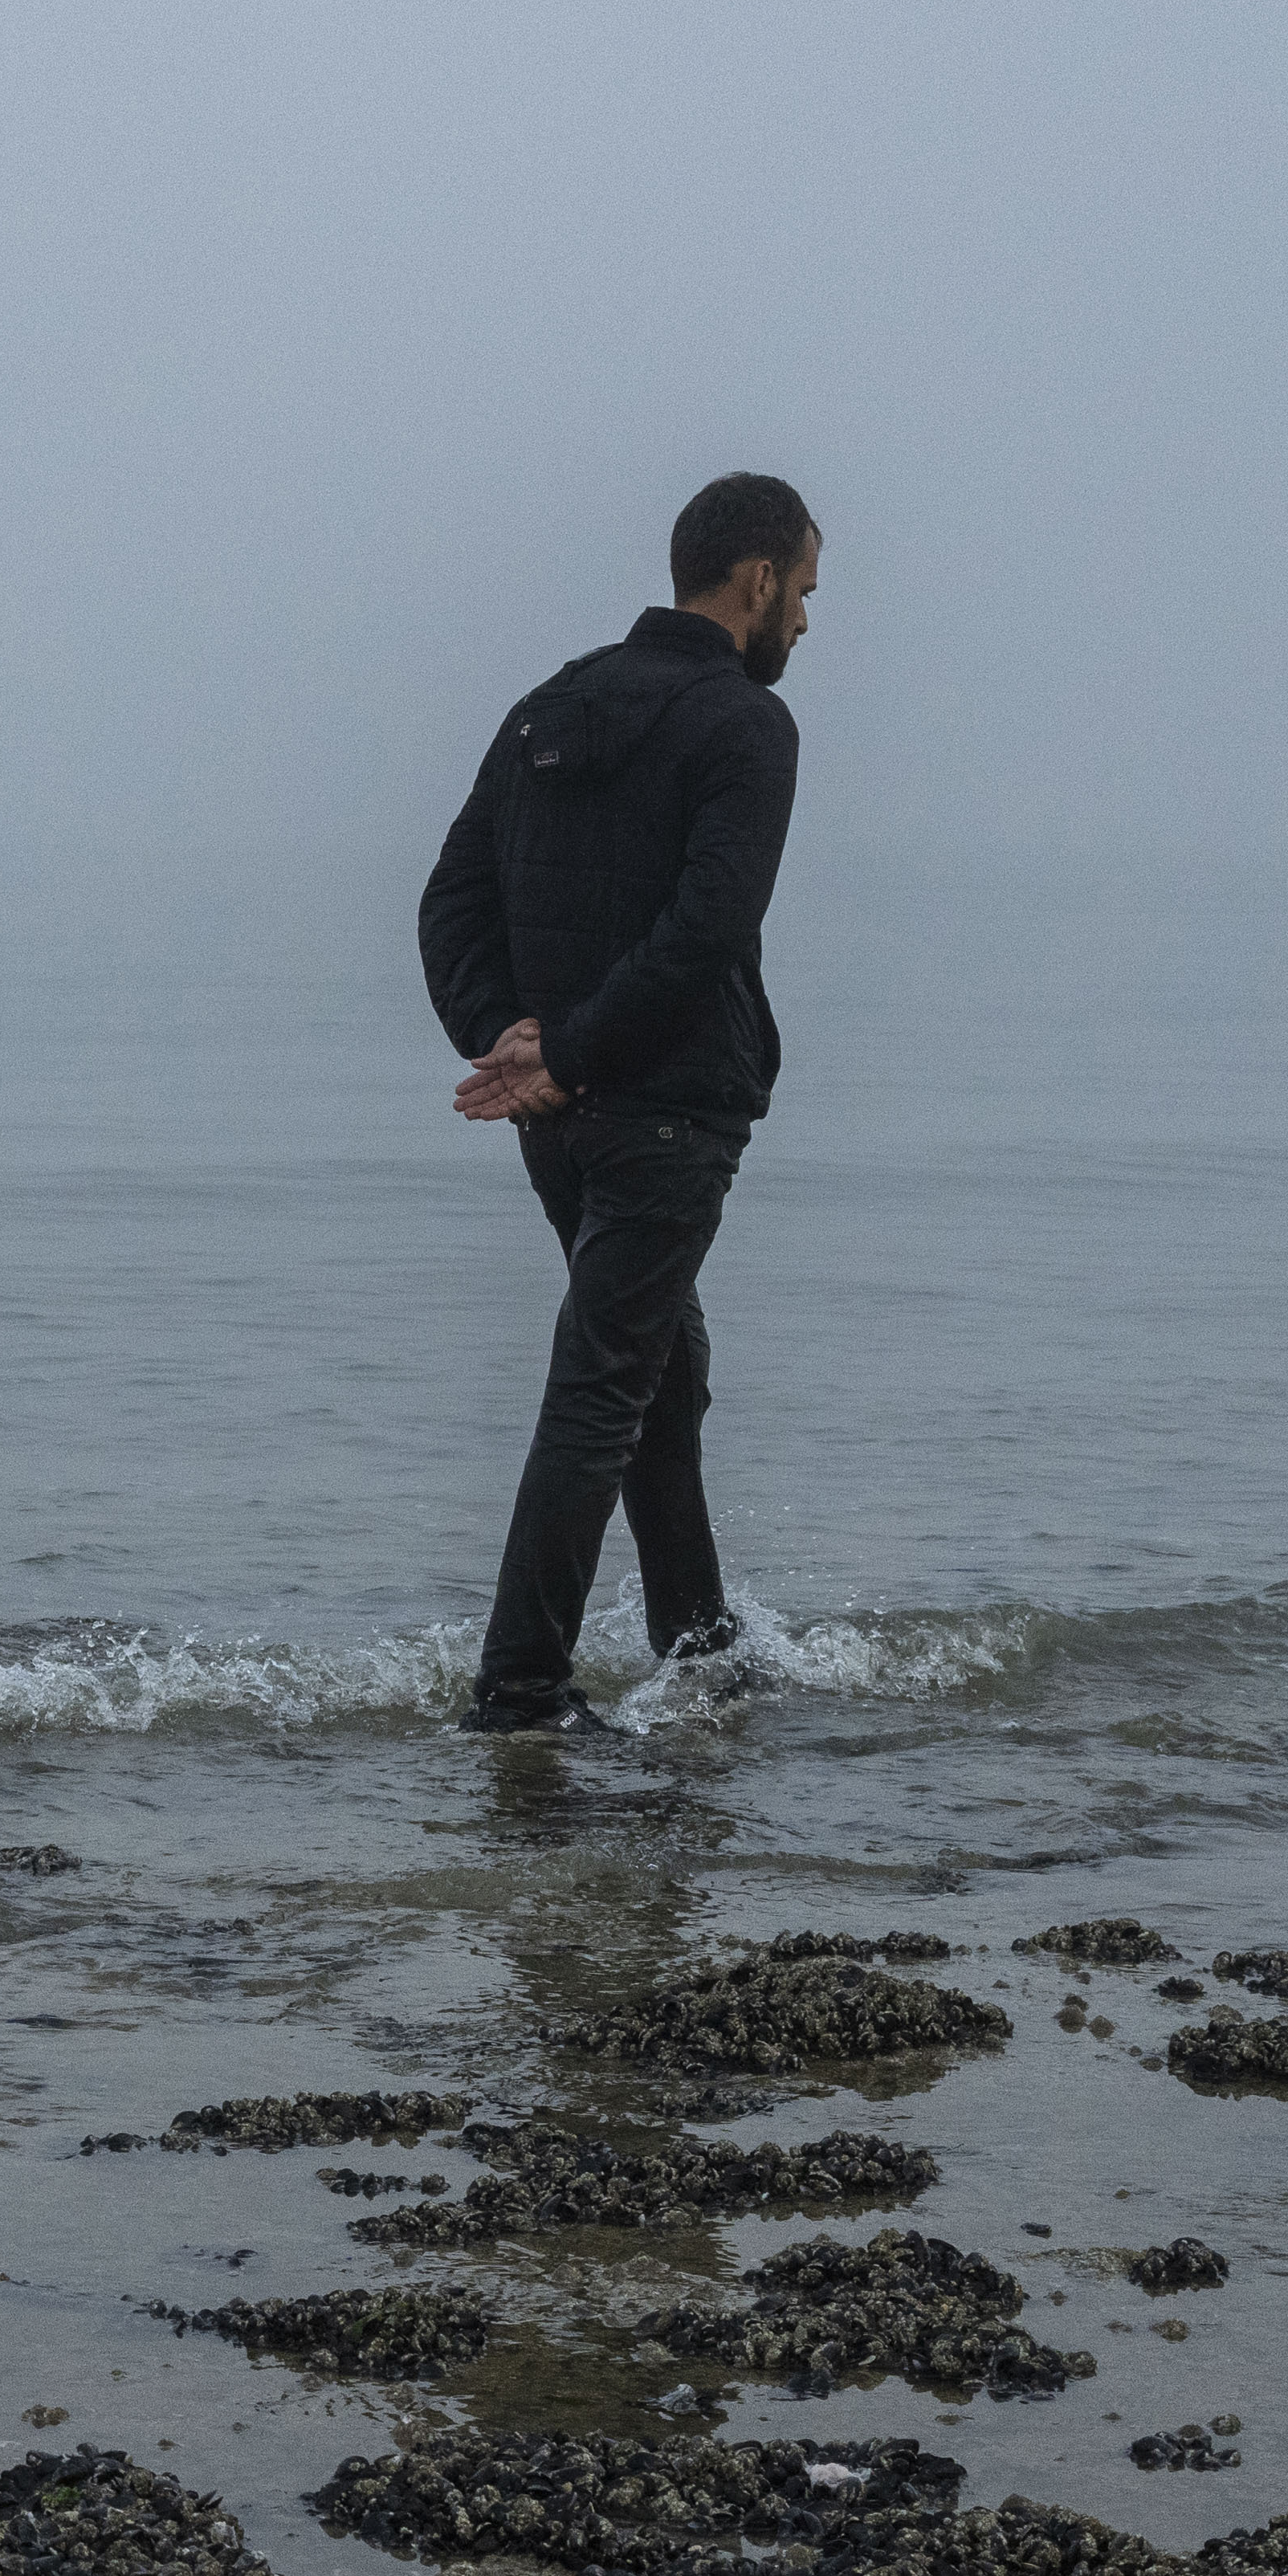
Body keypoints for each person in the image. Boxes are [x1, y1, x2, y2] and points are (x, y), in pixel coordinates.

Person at [414, 472, 819, 1734]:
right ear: (753, 580)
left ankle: (699, 1646)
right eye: (803, 593)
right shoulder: (746, 727)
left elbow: (449, 902)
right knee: (604, 1384)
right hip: (662, 1111)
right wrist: (555, 1053)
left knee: (659, 1370)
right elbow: (703, 934)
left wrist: (512, 1043)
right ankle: (521, 1688)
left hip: (565, 1118)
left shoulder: (552, 703)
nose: (804, 621)